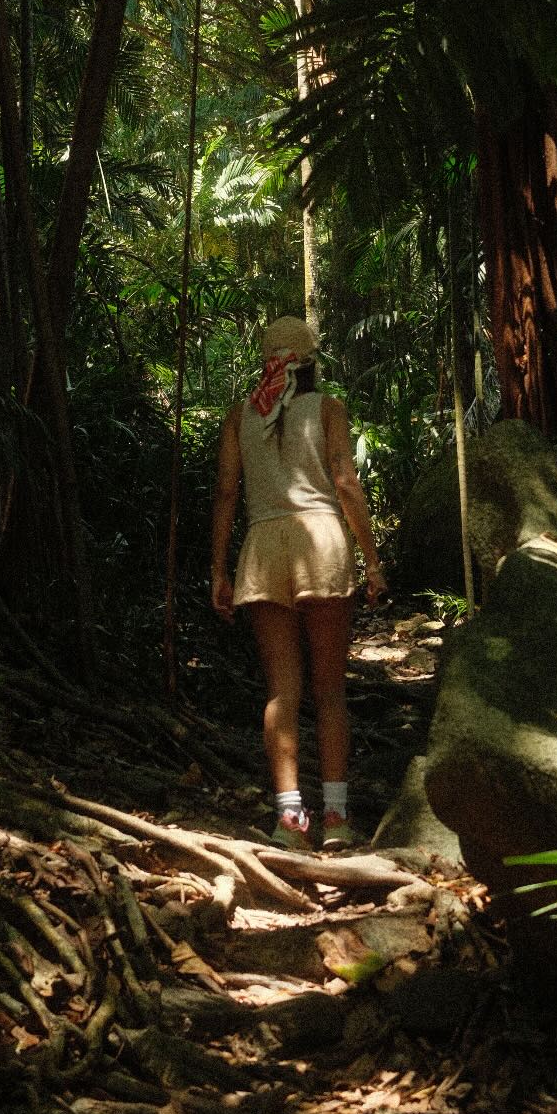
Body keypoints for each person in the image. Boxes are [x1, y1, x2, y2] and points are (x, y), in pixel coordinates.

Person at [211, 315, 387, 851]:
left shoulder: (240, 416)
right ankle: (335, 819)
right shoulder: (329, 407)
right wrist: (373, 559)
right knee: (330, 691)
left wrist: (218, 570)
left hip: (264, 547)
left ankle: (289, 821)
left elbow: (225, 496)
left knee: (281, 690)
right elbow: (344, 481)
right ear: (311, 360)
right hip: (322, 543)